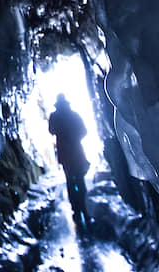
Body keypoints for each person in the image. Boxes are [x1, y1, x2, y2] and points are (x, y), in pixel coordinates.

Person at [48, 93, 90, 226]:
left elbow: (51, 130)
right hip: (75, 152)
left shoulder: (54, 117)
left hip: (65, 154)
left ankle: (76, 211)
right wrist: (74, 137)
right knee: (79, 181)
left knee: (71, 182)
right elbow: (84, 131)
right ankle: (83, 209)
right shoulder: (74, 115)